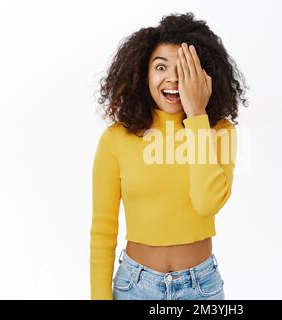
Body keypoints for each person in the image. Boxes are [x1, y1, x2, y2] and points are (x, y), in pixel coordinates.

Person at [90, 12, 248, 300]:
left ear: (203, 76)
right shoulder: (116, 139)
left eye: (186, 69)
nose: (173, 78)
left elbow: (206, 202)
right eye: (161, 67)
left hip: (201, 288)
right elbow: (103, 231)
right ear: (143, 73)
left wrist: (197, 115)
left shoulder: (219, 131)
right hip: (134, 286)